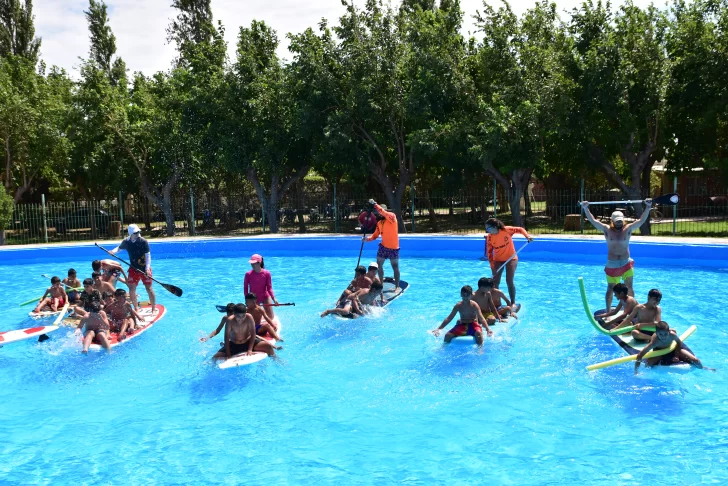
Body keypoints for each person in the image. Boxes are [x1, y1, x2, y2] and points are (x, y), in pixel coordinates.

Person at [581, 199, 653, 312]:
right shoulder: (606, 230)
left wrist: (648, 207)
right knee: (610, 288)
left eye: (620, 221)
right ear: (612, 221)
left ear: (623, 220)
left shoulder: (628, 229)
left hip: (626, 262)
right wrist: (586, 208)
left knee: (629, 287)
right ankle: (608, 310)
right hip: (612, 263)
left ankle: (631, 310)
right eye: (617, 222)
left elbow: (641, 220)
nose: (619, 224)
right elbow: (593, 221)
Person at [483, 218, 533, 307]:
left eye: (489, 229)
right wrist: (492, 267)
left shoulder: (506, 230)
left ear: (495, 227)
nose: (487, 231)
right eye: (486, 229)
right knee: (495, 282)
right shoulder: (490, 237)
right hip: (498, 260)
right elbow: (489, 253)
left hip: (511, 258)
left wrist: (527, 236)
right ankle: (497, 303)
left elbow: (520, 229)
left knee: (509, 281)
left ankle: (513, 303)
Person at [634, 321, 714, 374]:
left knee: (696, 360)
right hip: (659, 352)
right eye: (660, 335)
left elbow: (679, 343)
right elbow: (640, 355)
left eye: (665, 334)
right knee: (648, 364)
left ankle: (704, 368)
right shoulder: (654, 342)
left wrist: (676, 355)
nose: (663, 337)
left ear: (669, 332)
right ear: (656, 333)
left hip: (672, 349)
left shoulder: (672, 335)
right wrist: (636, 371)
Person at [109, 224, 156, 313]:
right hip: (133, 269)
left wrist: (147, 268)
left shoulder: (143, 241)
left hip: (144, 268)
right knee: (131, 288)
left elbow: (148, 256)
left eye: (138, 232)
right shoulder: (126, 242)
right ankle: (136, 308)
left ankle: (153, 308)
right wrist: (113, 252)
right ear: (130, 233)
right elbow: (119, 248)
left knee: (148, 288)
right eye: (135, 232)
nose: (137, 233)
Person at [212, 304, 278, 360]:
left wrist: (250, 349)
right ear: (234, 314)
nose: (240, 319)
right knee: (215, 357)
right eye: (238, 316)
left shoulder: (249, 317)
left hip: (248, 342)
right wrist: (228, 354)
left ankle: (276, 360)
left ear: (246, 312)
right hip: (234, 345)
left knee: (268, 347)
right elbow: (226, 337)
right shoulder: (230, 320)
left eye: (243, 316)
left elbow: (253, 334)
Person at [363, 199, 401, 292]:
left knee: (395, 266)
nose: (379, 214)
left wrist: (375, 204)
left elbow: (382, 212)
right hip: (383, 247)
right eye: (378, 213)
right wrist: (367, 239)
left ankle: (397, 286)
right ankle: (380, 284)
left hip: (393, 248)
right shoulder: (379, 223)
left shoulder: (392, 217)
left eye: (380, 212)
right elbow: (375, 235)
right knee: (379, 265)